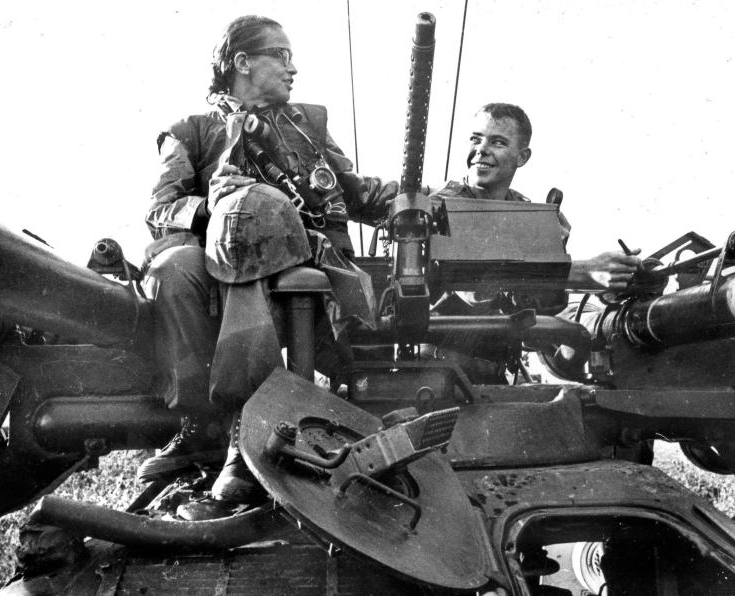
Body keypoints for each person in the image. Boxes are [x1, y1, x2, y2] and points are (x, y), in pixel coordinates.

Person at [138, 15, 395, 516]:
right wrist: (217, 211)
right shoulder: (192, 130)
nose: (292, 67)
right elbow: (158, 208)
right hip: (217, 253)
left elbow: (355, 191)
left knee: (251, 235)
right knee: (174, 268)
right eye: (280, 54)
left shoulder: (307, 126)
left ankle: (246, 430)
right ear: (242, 63)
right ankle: (201, 425)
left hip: (304, 254)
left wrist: (411, 199)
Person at [431, 102, 642, 293]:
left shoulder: (526, 211)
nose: (481, 150)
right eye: (475, 139)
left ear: (522, 157)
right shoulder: (439, 206)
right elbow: (469, 278)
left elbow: (543, 302)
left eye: (497, 143)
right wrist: (581, 271)